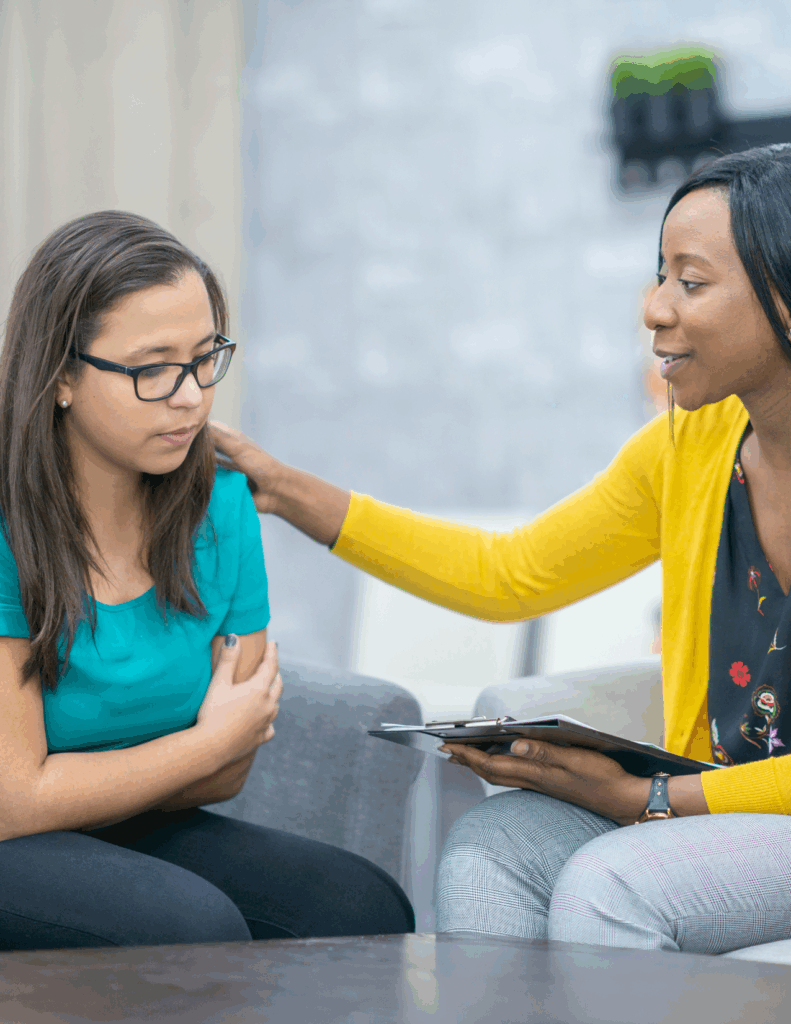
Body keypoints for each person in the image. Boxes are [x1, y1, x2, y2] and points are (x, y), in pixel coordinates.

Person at [212, 144, 791, 956]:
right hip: (713, 802)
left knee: (613, 882)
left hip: (740, 810)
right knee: (493, 851)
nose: (654, 309)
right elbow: (509, 573)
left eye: (689, 282)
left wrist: (649, 799)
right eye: (658, 276)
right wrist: (288, 492)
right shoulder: (688, 446)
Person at [0, 211, 414, 951]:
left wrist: (83, 784)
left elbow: (232, 768)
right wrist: (200, 745)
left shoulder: (222, 504)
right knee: (195, 927)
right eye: (152, 368)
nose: (190, 396)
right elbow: (14, 801)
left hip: (135, 824)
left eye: (203, 359)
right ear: (61, 375)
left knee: (362, 906)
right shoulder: (9, 525)